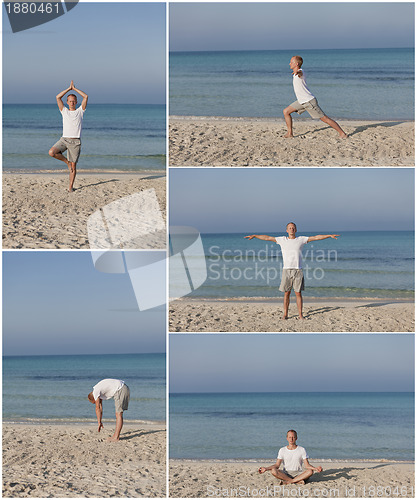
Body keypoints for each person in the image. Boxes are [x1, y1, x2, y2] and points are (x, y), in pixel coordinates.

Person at [245, 223, 339, 319]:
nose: (291, 229)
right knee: (287, 293)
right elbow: (267, 238)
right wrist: (255, 236)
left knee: (298, 293)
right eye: (290, 228)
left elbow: (315, 237)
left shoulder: (301, 239)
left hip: (298, 270)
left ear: (296, 230)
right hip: (286, 270)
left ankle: (300, 315)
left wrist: (329, 236)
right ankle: (285, 314)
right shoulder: (282, 240)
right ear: (287, 230)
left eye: (293, 228)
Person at [283, 56, 348, 139]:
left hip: (309, 102)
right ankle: (290, 133)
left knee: (325, 119)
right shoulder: (295, 74)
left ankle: (342, 134)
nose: (289, 63)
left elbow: (300, 73)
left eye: (291, 62)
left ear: (297, 64)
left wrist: (298, 73)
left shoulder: (300, 72)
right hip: (301, 101)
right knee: (286, 111)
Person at [49, 80, 88, 192]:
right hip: (64, 140)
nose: (72, 103)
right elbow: (57, 97)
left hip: (75, 142)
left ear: (76, 102)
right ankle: (67, 162)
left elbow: (85, 96)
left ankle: (70, 187)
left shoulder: (80, 111)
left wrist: (74, 89)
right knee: (52, 152)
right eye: (70, 101)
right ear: (67, 102)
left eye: (73, 101)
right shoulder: (64, 111)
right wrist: (68, 89)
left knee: (74, 167)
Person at [258, 430, 323, 485]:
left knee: (310, 471)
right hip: (285, 474)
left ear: (296, 438)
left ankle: (289, 482)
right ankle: (296, 481)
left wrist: (315, 468)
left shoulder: (301, 449)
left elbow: (307, 465)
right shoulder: (282, 450)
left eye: (293, 437)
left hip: (299, 474)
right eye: (289, 437)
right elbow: (277, 465)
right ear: (287, 438)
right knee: (273, 471)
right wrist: (266, 468)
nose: (291, 439)